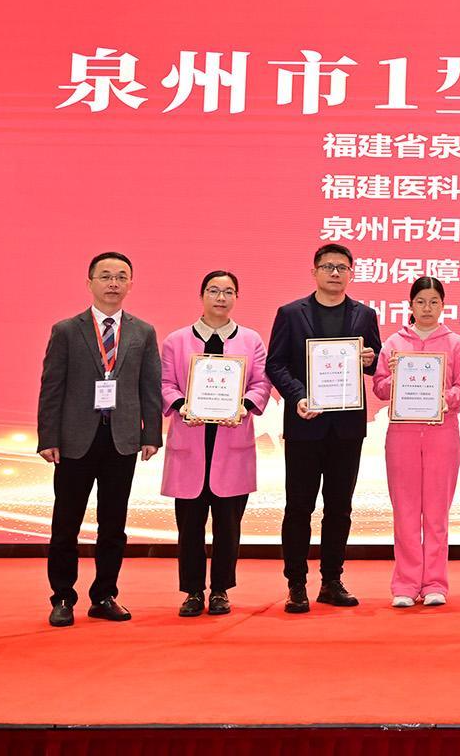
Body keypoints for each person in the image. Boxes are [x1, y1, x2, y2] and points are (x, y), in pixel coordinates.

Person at [38, 252, 162, 627]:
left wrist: (151, 434)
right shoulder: (66, 330)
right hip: (75, 439)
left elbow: (150, 387)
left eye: (121, 276)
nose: (113, 283)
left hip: (122, 439)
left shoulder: (143, 331)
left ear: (130, 284)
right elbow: (52, 387)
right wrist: (48, 436)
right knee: (66, 523)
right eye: (105, 276)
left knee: (113, 524)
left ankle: (105, 595)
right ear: (90, 282)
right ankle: (62, 597)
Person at [265, 243, 383, 614]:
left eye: (342, 267)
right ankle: (296, 584)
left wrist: (370, 358)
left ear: (351, 273)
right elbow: (275, 364)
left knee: (339, 507)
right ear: (314, 271)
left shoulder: (365, 314)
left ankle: (332, 580)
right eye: (328, 266)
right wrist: (298, 396)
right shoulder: (290, 313)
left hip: (347, 428)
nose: (335, 273)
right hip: (305, 423)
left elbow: (374, 362)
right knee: (298, 507)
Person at [159, 270, 272, 617]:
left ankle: (221, 589)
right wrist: (181, 405)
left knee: (228, 527)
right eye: (213, 290)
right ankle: (193, 591)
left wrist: (245, 406)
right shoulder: (176, 340)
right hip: (190, 443)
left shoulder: (251, 340)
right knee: (189, 527)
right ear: (201, 295)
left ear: (236, 297)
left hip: (232, 444)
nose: (220, 297)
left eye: (228, 292)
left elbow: (261, 383)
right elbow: (164, 384)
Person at [372, 277, 460, 608]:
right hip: (402, 436)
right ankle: (405, 583)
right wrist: (393, 378)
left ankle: (435, 583)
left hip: (442, 434)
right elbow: (379, 388)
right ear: (410, 305)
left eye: (434, 302)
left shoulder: (456, 343)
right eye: (421, 301)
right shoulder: (394, 343)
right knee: (404, 512)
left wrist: (446, 399)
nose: (427, 308)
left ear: (443, 305)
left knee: (436, 514)